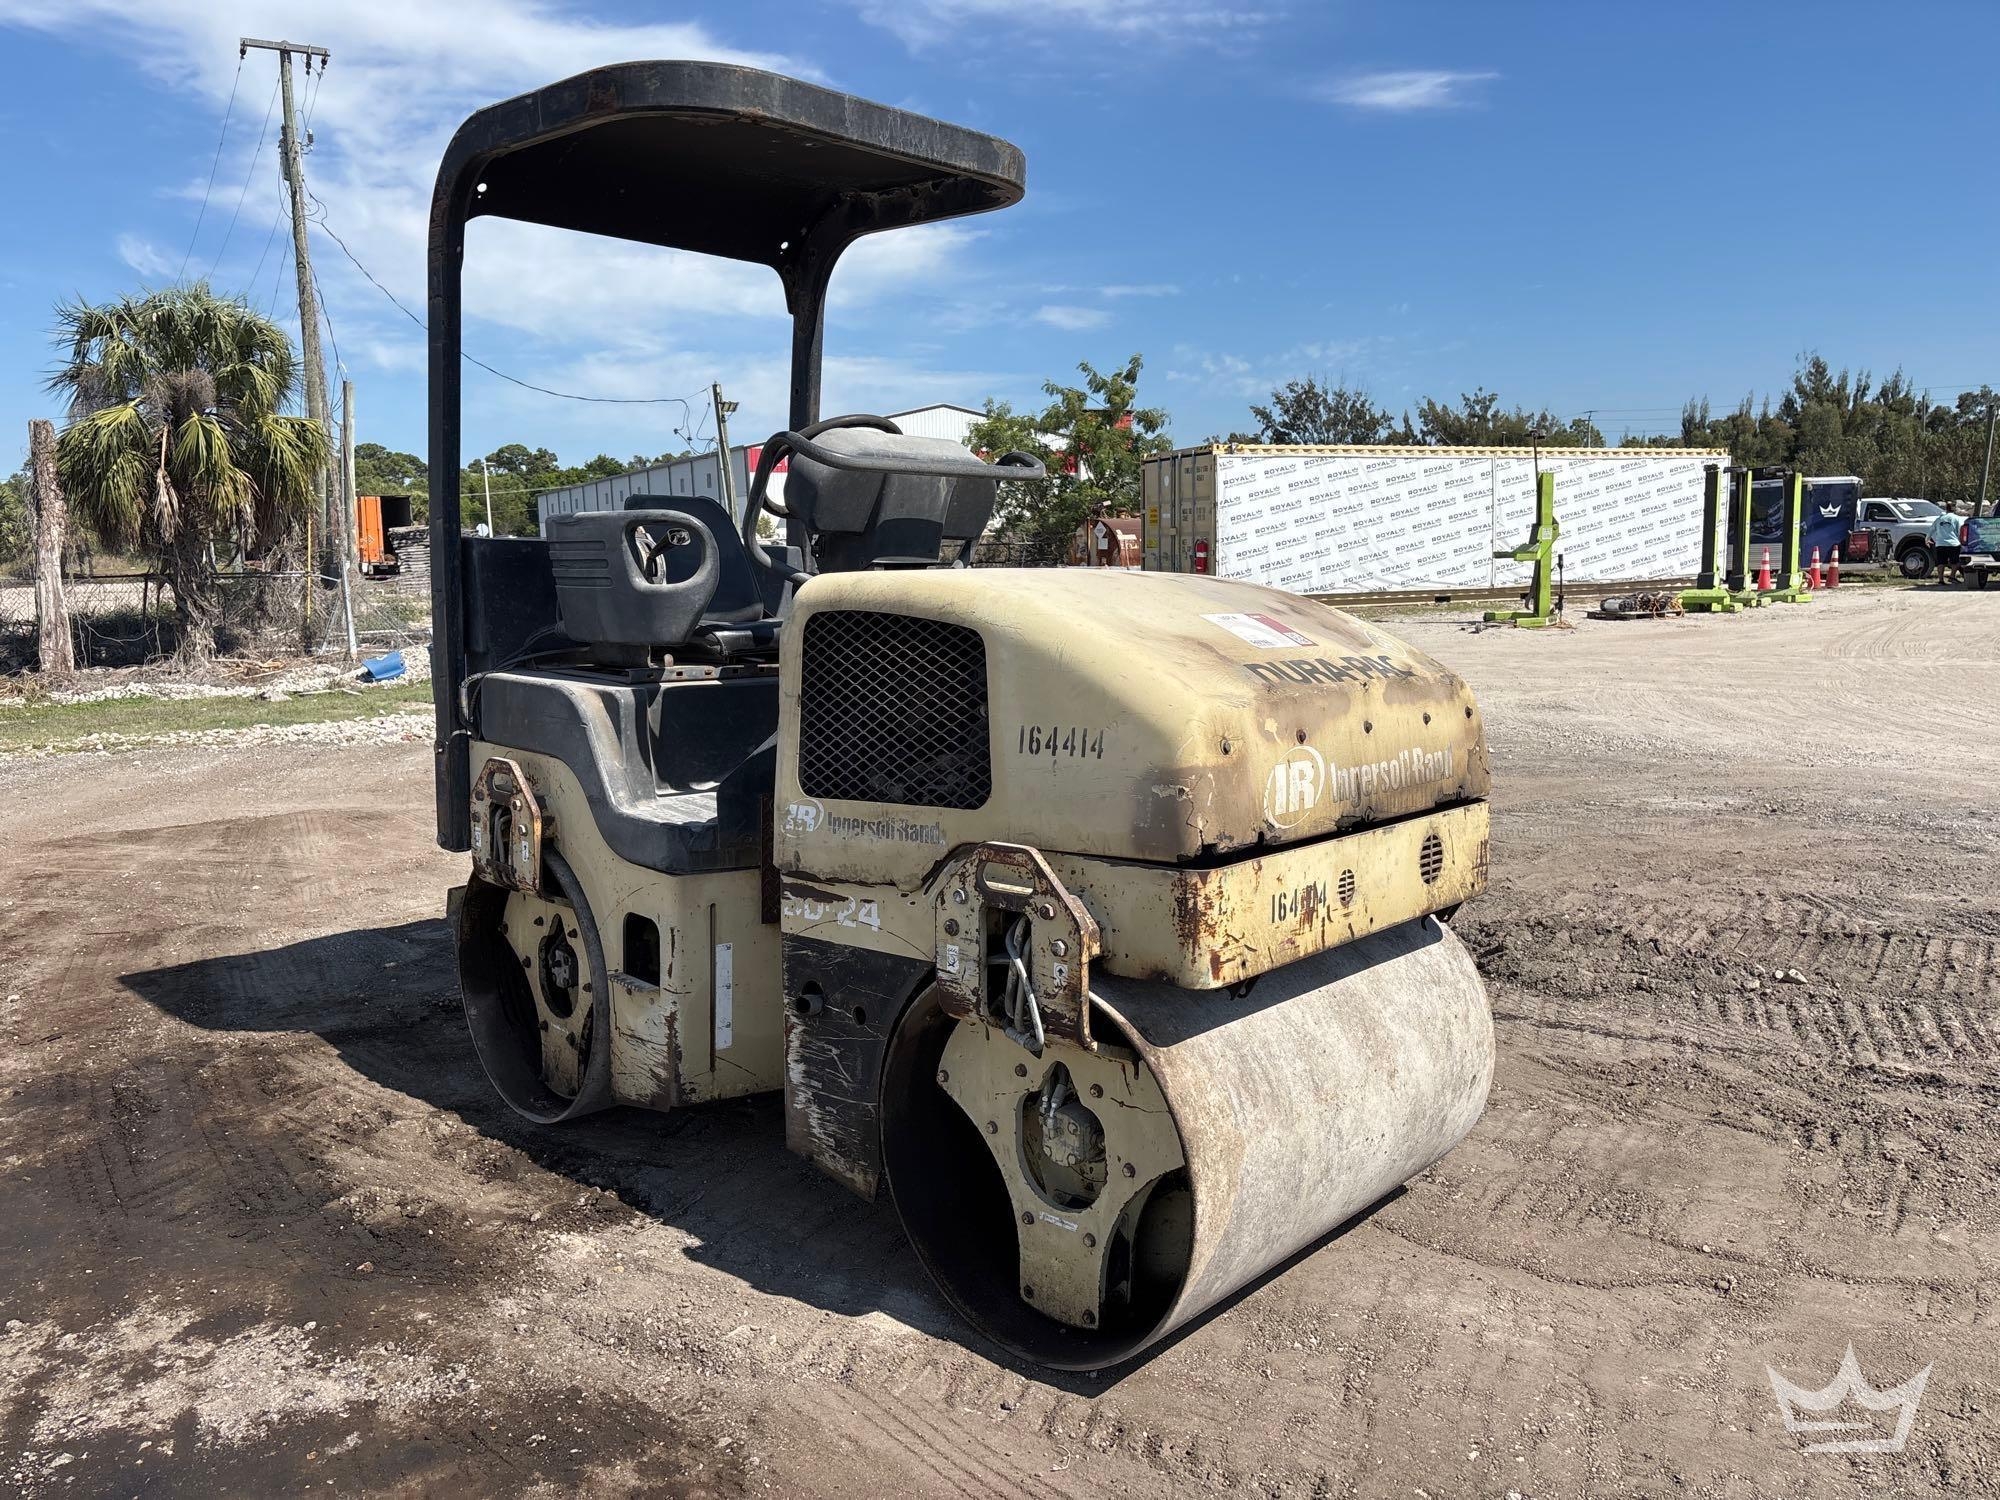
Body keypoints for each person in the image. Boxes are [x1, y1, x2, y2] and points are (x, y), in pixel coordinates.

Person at [1929, 505, 1963, 584]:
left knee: (1941, 562)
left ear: (1946, 509)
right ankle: (1952, 576)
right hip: (1953, 544)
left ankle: (1941, 580)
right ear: (1954, 509)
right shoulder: (1957, 518)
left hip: (1940, 544)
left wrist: (1927, 539)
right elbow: (1960, 530)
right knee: (1956, 562)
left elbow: (1932, 529)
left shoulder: (1939, 519)